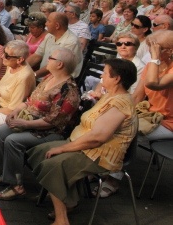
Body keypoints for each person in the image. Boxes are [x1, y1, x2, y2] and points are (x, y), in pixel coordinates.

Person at [27, 58, 137, 224]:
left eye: (105, 73)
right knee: (39, 152)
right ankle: (68, 200)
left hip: (99, 154)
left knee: (52, 165)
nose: (102, 76)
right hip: (84, 145)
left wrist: (64, 149)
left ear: (117, 79)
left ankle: (61, 218)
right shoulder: (110, 95)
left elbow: (97, 138)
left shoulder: (120, 104)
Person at [0, 47, 81, 201]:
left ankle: (16, 185)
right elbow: (29, 101)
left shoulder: (69, 91)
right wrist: (16, 111)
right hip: (31, 121)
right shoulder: (49, 78)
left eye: (51, 58)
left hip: (50, 132)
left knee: (13, 141)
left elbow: (52, 122)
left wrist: (24, 123)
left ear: (60, 64)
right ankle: (7, 174)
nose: (47, 60)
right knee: (2, 131)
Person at [26, 12, 83, 80]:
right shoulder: (49, 36)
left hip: (60, 81)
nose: (46, 24)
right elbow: (36, 56)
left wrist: (34, 75)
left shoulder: (71, 42)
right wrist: (22, 68)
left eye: (48, 21)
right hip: (44, 78)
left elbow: (56, 66)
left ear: (57, 26)